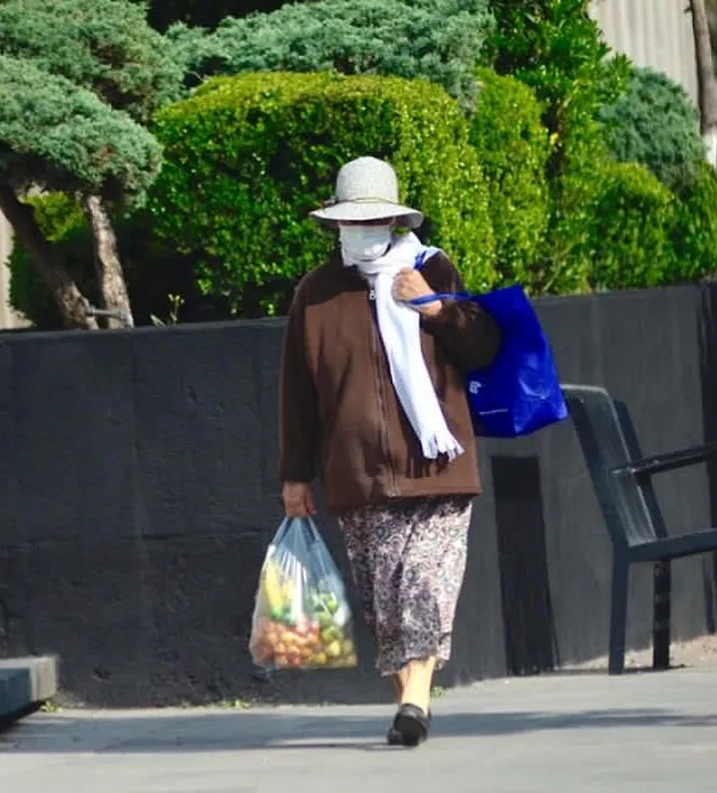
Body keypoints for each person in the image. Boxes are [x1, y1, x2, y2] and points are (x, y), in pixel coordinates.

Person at [277, 156, 500, 747]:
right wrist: (296, 475)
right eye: (355, 221)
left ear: (396, 221)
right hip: (357, 476)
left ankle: (415, 704)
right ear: (337, 226)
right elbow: (298, 392)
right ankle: (412, 700)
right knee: (385, 610)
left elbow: (481, 346)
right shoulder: (317, 293)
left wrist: (434, 306)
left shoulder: (431, 268)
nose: (365, 229)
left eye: (376, 219)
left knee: (425, 589)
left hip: (437, 468)